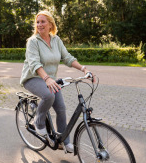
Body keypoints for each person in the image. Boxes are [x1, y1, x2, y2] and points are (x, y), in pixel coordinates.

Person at [20, 10, 95, 153]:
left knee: (61, 109)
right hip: (33, 78)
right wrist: (47, 78)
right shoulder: (33, 42)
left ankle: (64, 142)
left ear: (50, 24)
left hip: (50, 81)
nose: (39, 24)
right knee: (49, 96)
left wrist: (84, 69)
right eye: (38, 22)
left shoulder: (56, 40)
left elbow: (67, 58)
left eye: (43, 21)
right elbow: (35, 64)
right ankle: (38, 122)